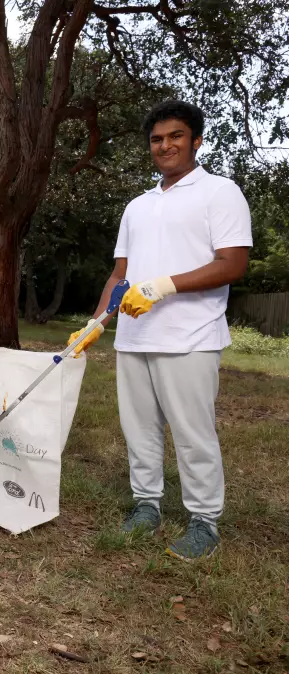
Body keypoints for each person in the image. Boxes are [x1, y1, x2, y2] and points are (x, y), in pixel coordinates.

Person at [73, 100, 252, 561]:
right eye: (157, 139)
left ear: (195, 139)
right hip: (134, 338)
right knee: (140, 430)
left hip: (191, 336)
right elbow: (120, 275)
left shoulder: (220, 192)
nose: (166, 145)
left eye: (175, 136)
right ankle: (146, 506)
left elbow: (232, 264)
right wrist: (97, 322)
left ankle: (204, 522)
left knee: (194, 433)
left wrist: (165, 285)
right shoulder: (138, 205)